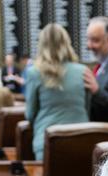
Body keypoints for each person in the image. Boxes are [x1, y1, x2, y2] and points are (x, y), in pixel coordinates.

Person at [24, 22, 89, 159]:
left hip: (48, 141)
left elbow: (30, 114)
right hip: (82, 140)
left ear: (41, 45)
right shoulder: (83, 71)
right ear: (67, 43)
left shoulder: (34, 73)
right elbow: (87, 108)